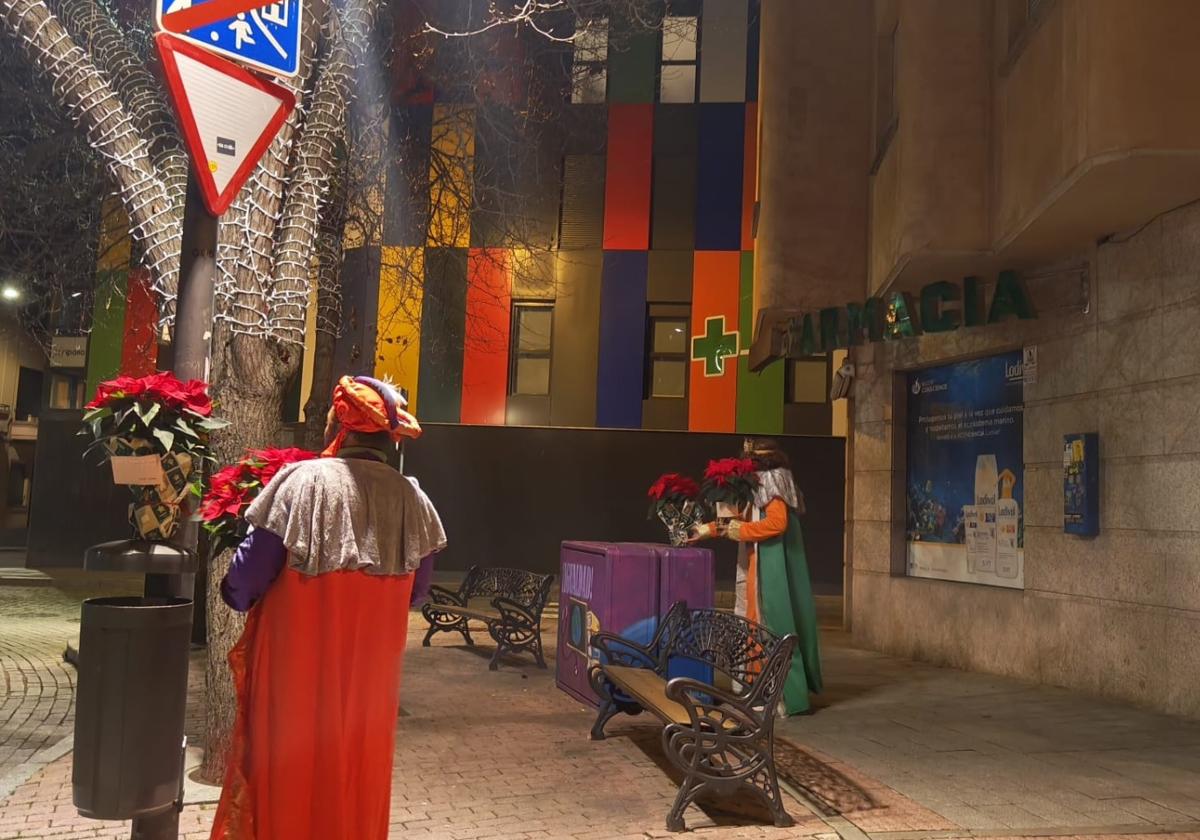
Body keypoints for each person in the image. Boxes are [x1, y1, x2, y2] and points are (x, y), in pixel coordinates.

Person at [209, 376, 447, 840]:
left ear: (340, 425)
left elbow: (246, 578)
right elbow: (418, 592)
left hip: (297, 669)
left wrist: (235, 595)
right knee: (360, 771)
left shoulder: (302, 484)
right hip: (371, 680)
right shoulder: (413, 499)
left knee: (290, 771)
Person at [692, 438, 822, 715]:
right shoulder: (757, 482)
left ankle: (780, 694)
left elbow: (776, 523)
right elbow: (743, 517)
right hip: (756, 561)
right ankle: (759, 687)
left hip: (770, 564)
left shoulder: (772, 480)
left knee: (770, 623)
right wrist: (707, 530)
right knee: (753, 623)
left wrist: (739, 531)